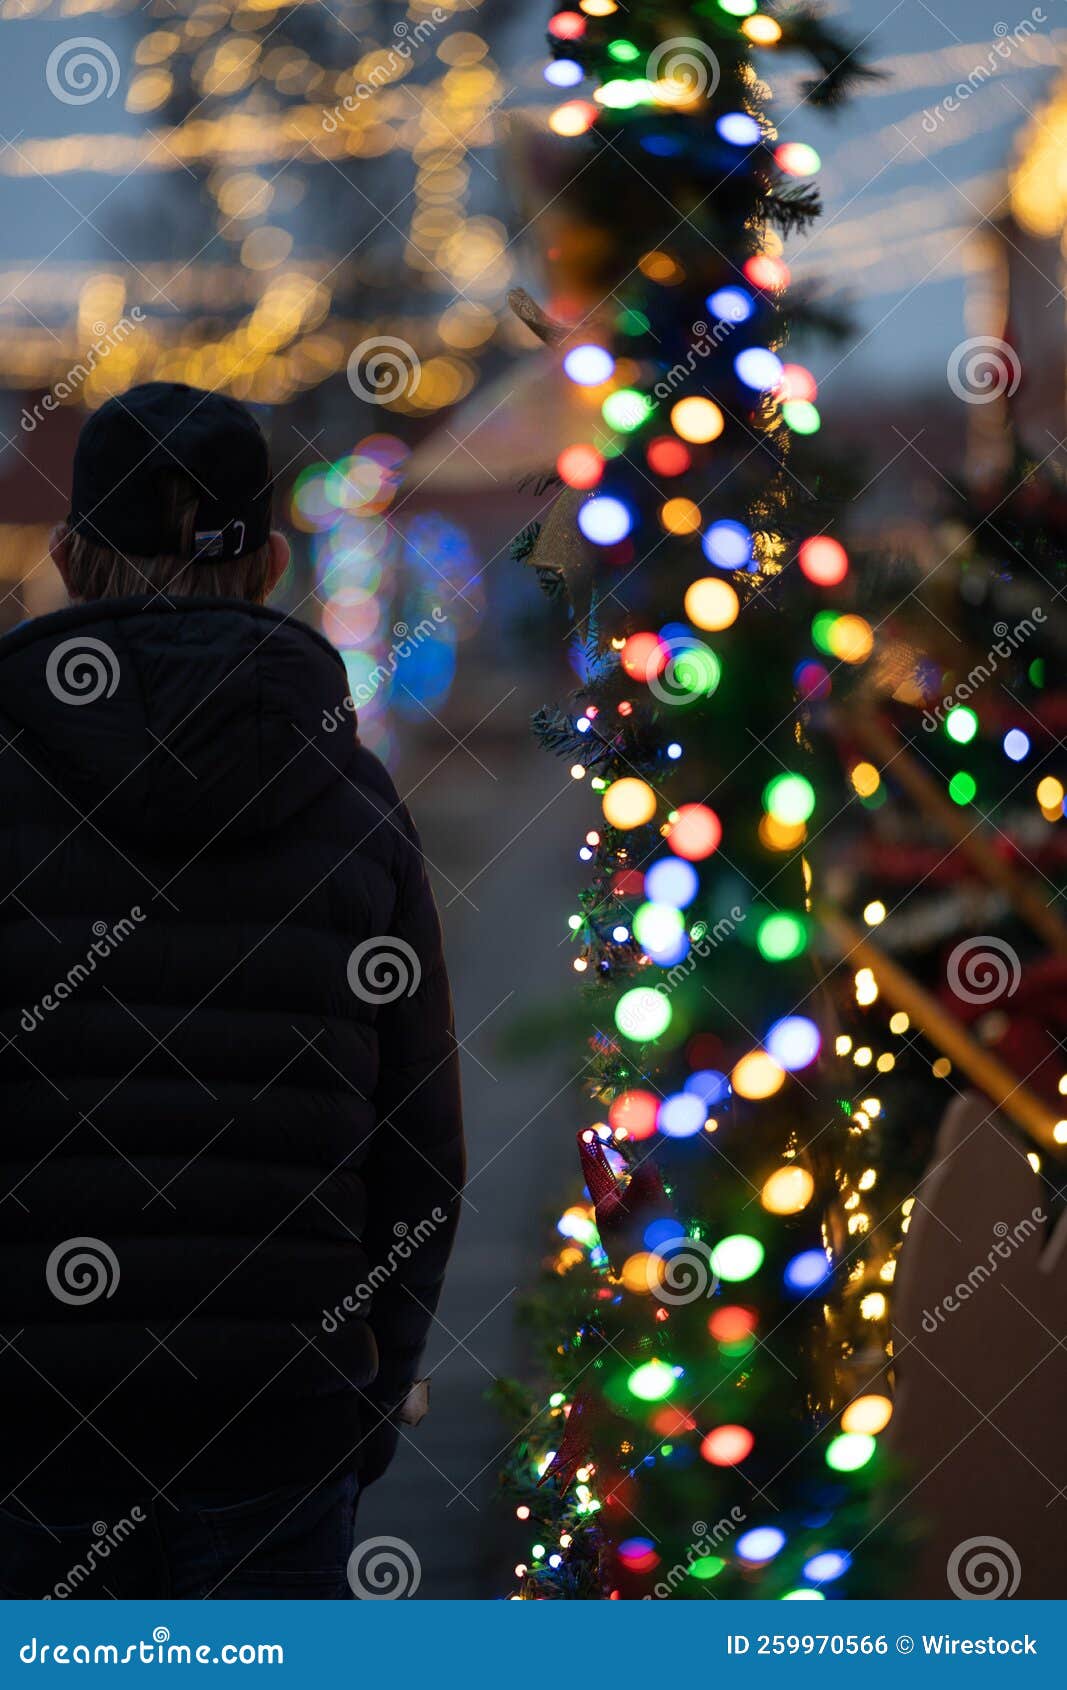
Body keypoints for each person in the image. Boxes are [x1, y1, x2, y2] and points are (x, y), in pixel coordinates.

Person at [0, 382, 464, 1599]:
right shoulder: (354, 806)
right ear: (267, 560)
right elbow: (420, 1144)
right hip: (275, 1421)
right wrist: (364, 1397)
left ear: (65, 556)